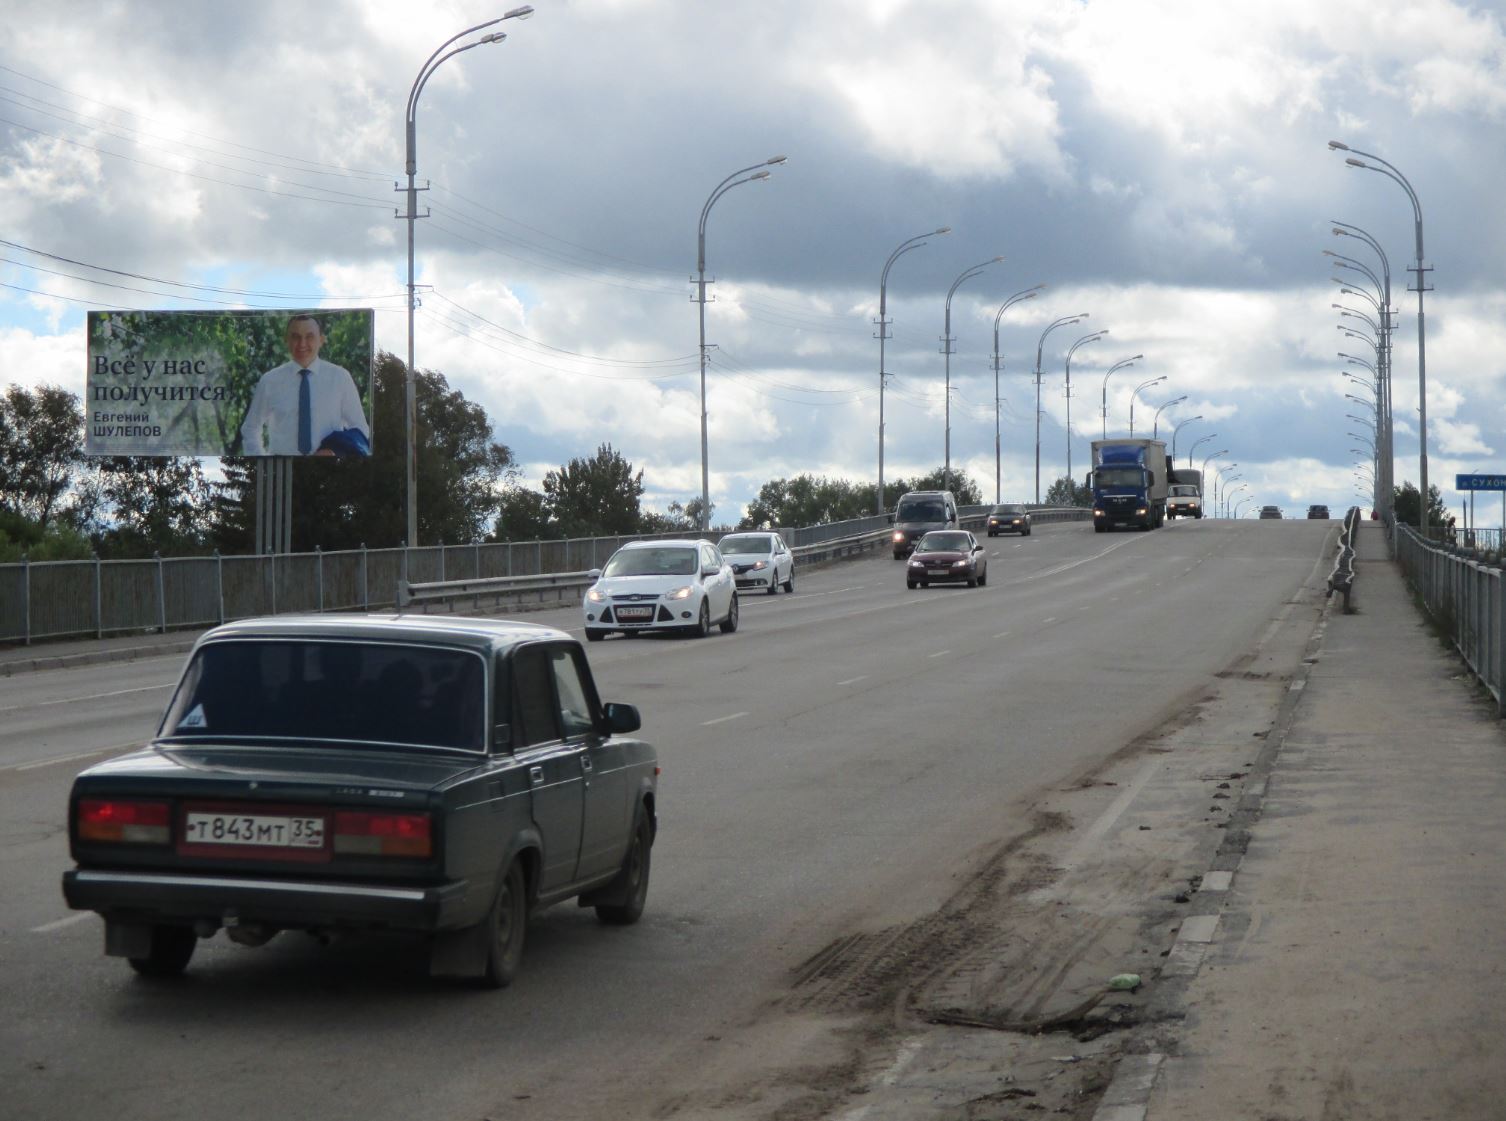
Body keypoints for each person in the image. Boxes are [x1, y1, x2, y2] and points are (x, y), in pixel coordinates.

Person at [239, 314, 371, 456]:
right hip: (283, 467)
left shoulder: (340, 378)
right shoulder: (269, 380)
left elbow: (360, 428)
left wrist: (334, 451)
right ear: (286, 340)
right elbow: (250, 428)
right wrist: (262, 462)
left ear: (321, 340)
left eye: (310, 336)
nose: (302, 343)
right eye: (295, 337)